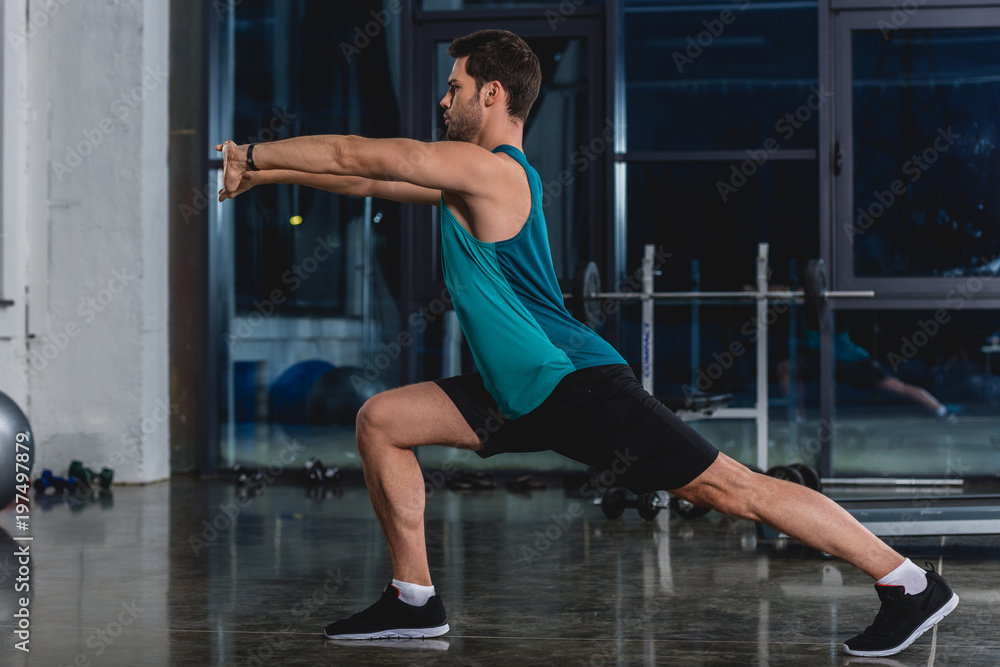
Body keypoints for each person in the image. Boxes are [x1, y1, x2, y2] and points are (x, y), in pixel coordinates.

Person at [216, 29, 958, 657]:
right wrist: (261, 175)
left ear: (491, 95)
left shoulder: (490, 171)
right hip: (517, 391)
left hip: (573, 382)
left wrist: (254, 146)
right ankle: (414, 599)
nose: (442, 100)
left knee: (735, 489)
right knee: (382, 420)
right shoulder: (465, 182)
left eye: (453, 86)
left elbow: (358, 155)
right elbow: (364, 185)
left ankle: (909, 582)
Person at [777, 322, 957, 423]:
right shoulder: (805, 314)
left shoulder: (831, 314)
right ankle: (798, 416)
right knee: (787, 368)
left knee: (896, 386)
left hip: (853, 362)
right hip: (826, 360)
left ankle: (941, 410)